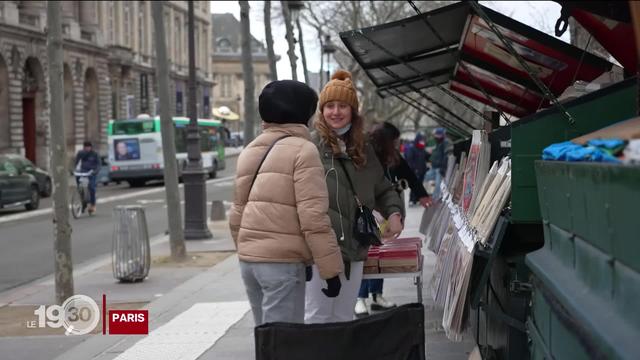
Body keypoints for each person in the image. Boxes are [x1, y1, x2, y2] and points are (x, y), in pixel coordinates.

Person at [229, 80, 344, 326]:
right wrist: (330, 269)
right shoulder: (303, 150)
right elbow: (313, 217)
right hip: (281, 263)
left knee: (266, 337)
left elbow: (238, 210)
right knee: (286, 342)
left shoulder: (250, 149)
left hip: (250, 263)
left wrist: (246, 248)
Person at [305, 70, 405, 324]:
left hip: (355, 246)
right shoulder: (310, 146)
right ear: (322, 110)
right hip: (320, 247)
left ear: (353, 111)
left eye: (342, 106)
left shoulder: (364, 148)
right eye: (330, 106)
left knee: (343, 314)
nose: (335, 112)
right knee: (318, 316)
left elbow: (383, 187)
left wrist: (394, 213)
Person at [355, 122, 432, 316]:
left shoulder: (393, 157)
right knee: (367, 254)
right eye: (394, 141)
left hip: (387, 213)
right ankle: (360, 297)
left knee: (380, 252)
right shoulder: (364, 155)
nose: (397, 144)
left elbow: (409, 176)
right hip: (368, 213)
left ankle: (376, 295)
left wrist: (422, 195)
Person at [74, 141, 100, 213]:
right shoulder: (81, 153)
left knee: (91, 187)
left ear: (91, 147)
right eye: (86, 147)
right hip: (83, 171)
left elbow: (98, 165)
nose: (87, 148)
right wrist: (74, 170)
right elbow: (76, 162)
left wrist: (95, 172)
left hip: (92, 172)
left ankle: (93, 205)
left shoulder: (95, 154)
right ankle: (83, 201)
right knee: (79, 185)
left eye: (88, 147)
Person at [405, 132, 429, 205]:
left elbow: (425, 157)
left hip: (422, 170)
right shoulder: (412, 148)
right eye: (421, 140)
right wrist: (414, 168)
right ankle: (412, 199)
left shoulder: (422, 149)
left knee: (420, 185)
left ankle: (418, 199)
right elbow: (409, 159)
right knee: (414, 185)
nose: (422, 142)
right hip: (415, 170)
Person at [427, 127, 450, 200]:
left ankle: (436, 198)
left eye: (436, 136)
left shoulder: (445, 143)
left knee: (438, 184)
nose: (435, 137)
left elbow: (446, 157)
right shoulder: (438, 143)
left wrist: (443, 168)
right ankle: (432, 196)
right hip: (434, 166)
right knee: (428, 179)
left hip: (440, 167)